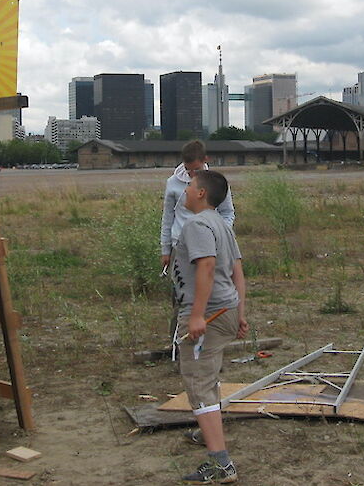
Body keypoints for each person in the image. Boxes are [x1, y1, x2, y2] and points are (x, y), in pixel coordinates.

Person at [174, 169, 247, 484]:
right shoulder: (221, 224)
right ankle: (209, 432)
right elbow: (237, 272)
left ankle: (221, 464)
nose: (186, 190)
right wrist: (240, 314)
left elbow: (206, 266)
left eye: (190, 186)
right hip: (225, 310)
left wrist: (197, 316)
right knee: (208, 379)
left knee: (199, 384)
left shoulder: (198, 225)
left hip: (210, 315)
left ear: (201, 193)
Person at [161, 140, 235, 353]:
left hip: (208, 248)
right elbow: (167, 217)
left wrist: (218, 234)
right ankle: (178, 346)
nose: (192, 174)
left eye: (196, 169)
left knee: (210, 294)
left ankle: (210, 344)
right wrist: (165, 249)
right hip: (181, 248)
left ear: (205, 161)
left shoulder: (216, 183)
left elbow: (228, 213)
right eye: (188, 170)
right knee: (182, 298)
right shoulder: (173, 183)